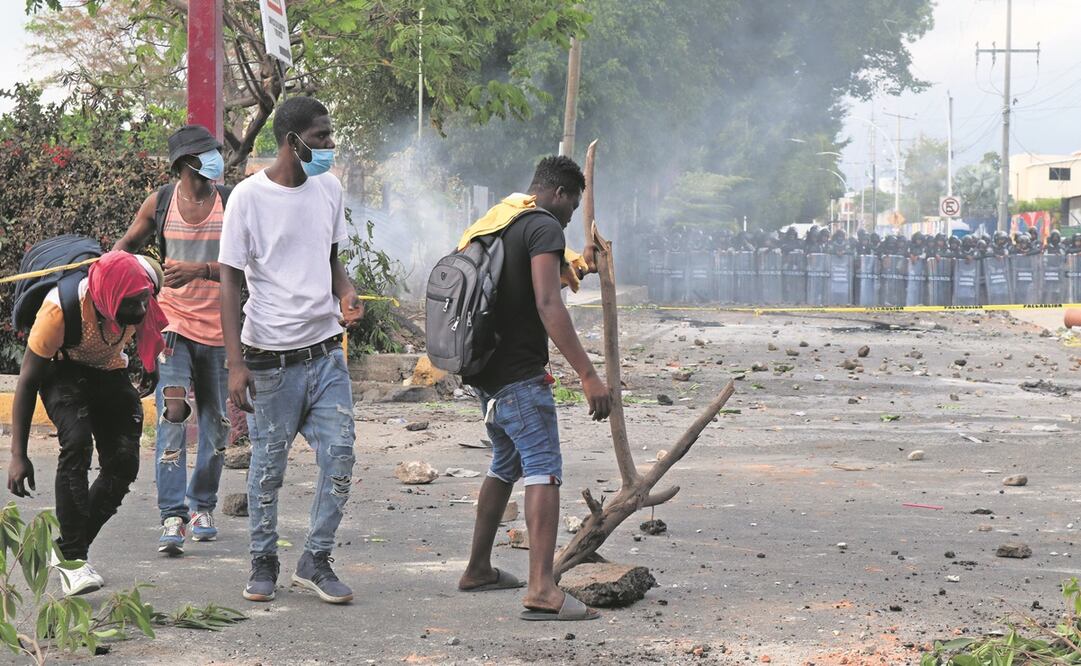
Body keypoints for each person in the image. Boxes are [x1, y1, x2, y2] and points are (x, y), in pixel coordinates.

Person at [219, 96, 364, 605]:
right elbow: (229, 283)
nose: (329, 145)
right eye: (321, 137)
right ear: (292, 141)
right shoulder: (247, 198)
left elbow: (331, 260)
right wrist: (234, 364)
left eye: (329, 135)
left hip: (325, 354)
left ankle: (315, 558)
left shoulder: (328, 188)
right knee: (268, 468)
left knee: (341, 455)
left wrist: (345, 293)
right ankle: (264, 560)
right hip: (269, 361)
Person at [455, 156, 612, 622]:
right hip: (519, 374)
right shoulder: (544, 226)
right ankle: (542, 588)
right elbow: (547, 302)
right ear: (560, 194)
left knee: (506, 462)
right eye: (571, 206)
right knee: (543, 466)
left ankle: (478, 568)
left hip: (483, 371)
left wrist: (582, 263)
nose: (567, 216)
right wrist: (587, 374)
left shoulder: (501, 220)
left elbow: (526, 284)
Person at [7, 251, 167, 596]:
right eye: (133, 304)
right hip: (61, 371)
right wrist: (18, 455)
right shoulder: (58, 310)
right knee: (77, 442)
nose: (141, 311)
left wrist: (150, 364)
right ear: (108, 298)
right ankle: (75, 562)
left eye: (144, 301)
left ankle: (66, 548)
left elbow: (149, 325)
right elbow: (27, 382)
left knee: (123, 463)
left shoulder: (136, 295)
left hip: (107, 368)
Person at [114, 125, 231, 555]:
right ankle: (172, 515)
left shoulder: (231, 203)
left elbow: (252, 265)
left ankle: (203, 505)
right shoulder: (161, 203)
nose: (216, 159)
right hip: (172, 330)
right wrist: (119, 275)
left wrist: (202, 271)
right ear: (185, 164)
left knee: (217, 425)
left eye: (216, 152)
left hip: (222, 333)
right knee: (173, 417)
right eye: (207, 154)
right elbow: (124, 248)